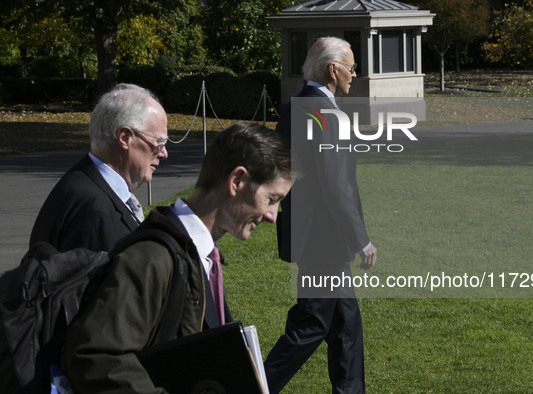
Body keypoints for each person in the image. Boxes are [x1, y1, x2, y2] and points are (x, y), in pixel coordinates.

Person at [62, 121, 293, 393]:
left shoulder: (200, 255)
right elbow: (97, 357)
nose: (272, 216)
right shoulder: (151, 258)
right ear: (237, 181)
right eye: (272, 199)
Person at [264, 37, 377, 393]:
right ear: (333, 70)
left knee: (346, 325)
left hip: (307, 233)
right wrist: (362, 240)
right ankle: (251, 386)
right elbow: (336, 186)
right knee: (311, 324)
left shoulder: (293, 108)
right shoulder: (326, 114)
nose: (354, 75)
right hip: (325, 240)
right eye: (352, 67)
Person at [29, 83, 168, 252]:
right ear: (125, 138)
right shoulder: (96, 211)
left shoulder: (83, 182)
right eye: (159, 142)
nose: (164, 153)